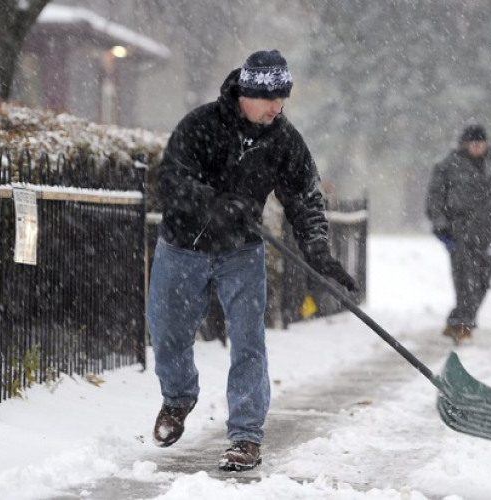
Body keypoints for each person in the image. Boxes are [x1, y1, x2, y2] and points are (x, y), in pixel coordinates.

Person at [147, 49, 357, 472]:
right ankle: (178, 398)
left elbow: (304, 197)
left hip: (241, 251)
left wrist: (318, 249)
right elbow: (169, 179)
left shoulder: (283, 139)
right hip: (182, 246)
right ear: (247, 92)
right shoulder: (202, 124)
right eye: (271, 98)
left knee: (248, 342)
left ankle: (245, 436)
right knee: (168, 332)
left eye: (284, 98)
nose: (278, 106)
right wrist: (213, 205)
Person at [425, 124, 491, 344]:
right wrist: (440, 224)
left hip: (490, 232)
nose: (478, 147)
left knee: (483, 282)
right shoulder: (448, 166)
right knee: (464, 282)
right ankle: (463, 326)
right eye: (474, 143)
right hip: (460, 233)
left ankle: (458, 321)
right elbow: (434, 198)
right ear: (464, 144)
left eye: (481, 143)